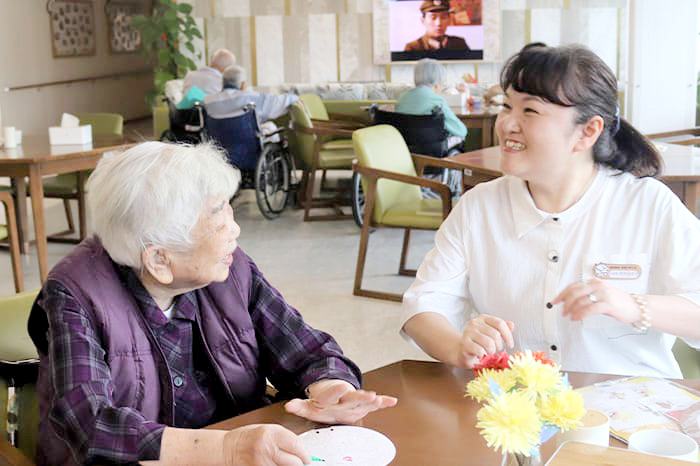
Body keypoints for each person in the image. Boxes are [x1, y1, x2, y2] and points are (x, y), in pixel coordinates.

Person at [27, 141, 397, 465]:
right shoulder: (75, 293)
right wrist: (223, 450)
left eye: (228, 209)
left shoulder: (230, 270)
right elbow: (88, 424)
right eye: (217, 219)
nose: (235, 229)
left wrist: (331, 388)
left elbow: (306, 349)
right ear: (159, 260)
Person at [399, 44, 700, 379]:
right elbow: (423, 305)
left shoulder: (648, 205)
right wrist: (458, 346)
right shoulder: (478, 207)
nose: (507, 125)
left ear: (588, 131)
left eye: (530, 111)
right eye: (507, 106)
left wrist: (632, 306)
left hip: (631, 410)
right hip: (515, 409)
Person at [396, 58, 467, 149]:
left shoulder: (402, 98)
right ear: (437, 84)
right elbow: (461, 130)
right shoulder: (437, 101)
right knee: (460, 136)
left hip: (406, 150)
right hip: (433, 151)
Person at [204, 64, 299, 123]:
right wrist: (293, 96)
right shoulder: (250, 98)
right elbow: (279, 102)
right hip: (248, 147)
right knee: (271, 127)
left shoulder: (208, 101)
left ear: (223, 82)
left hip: (218, 149)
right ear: (242, 84)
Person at [404, 0, 470, 55]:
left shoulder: (459, 44)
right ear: (423, 21)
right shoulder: (413, 48)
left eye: (443, 17)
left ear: (449, 20)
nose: (438, 23)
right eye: (433, 18)